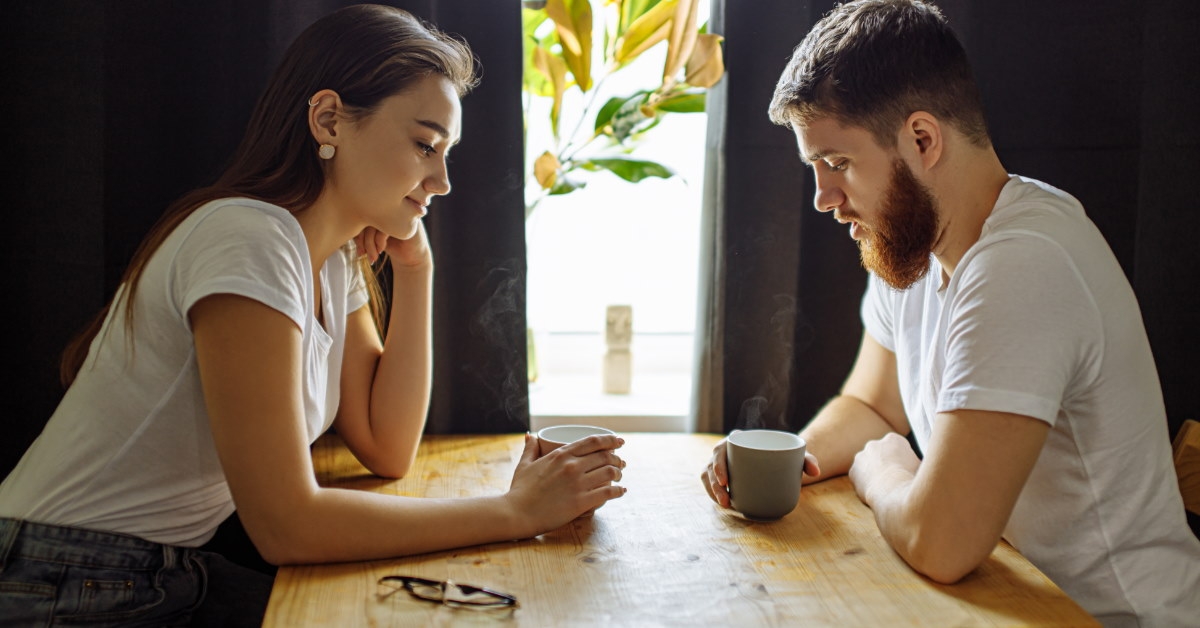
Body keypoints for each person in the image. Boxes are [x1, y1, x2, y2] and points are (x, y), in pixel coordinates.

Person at [0, 5, 625, 626]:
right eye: (424, 145)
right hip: (57, 574)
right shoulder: (250, 238)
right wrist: (517, 512)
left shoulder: (326, 256)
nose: (441, 180)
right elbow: (285, 525)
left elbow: (386, 445)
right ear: (328, 119)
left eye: (446, 153)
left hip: (152, 571)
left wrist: (415, 272)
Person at [701, 1, 1200, 625]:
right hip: (1001, 599)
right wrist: (787, 460)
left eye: (838, 163)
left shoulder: (1024, 263)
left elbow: (942, 542)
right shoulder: (909, 242)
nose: (824, 199)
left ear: (921, 139)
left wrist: (883, 470)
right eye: (815, 168)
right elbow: (872, 407)